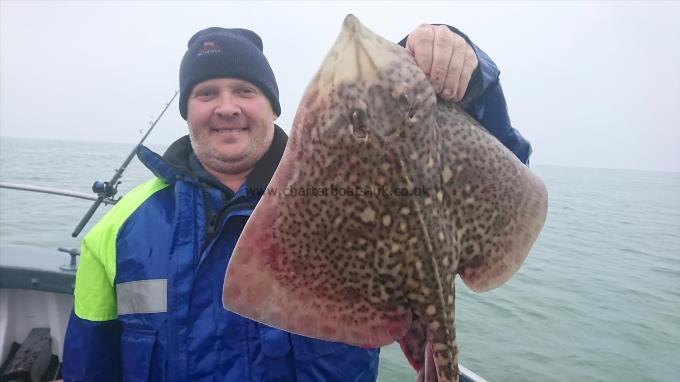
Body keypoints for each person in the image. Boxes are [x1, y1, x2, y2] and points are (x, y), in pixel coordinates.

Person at [62, 21, 531, 382]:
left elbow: (507, 162)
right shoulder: (118, 229)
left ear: (276, 107)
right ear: (188, 110)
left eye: (245, 90)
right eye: (207, 94)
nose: (227, 107)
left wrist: (471, 78)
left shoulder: (346, 191)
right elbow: (91, 363)